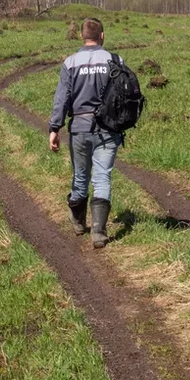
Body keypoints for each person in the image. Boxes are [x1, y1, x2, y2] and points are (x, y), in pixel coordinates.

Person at [49, 18, 123, 248]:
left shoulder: (70, 62)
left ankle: (79, 223)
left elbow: (62, 99)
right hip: (108, 130)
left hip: (79, 128)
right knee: (102, 178)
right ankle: (99, 234)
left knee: (81, 177)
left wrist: (54, 128)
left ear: (82, 36)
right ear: (102, 36)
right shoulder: (114, 60)